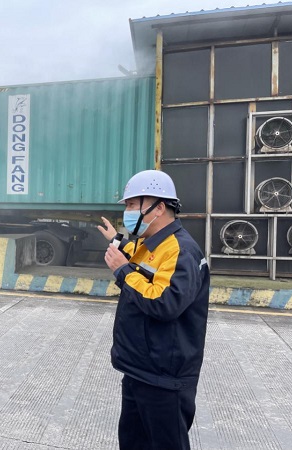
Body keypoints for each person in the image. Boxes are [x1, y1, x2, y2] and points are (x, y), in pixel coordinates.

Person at [97, 170, 210, 450]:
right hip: (139, 370)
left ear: (158, 208)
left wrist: (123, 272)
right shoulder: (152, 244)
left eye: (132, 205)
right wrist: (116, 241)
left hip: (164, 380)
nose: (127, 212)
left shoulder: (181, 251)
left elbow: (164, 303)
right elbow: (140, 260)